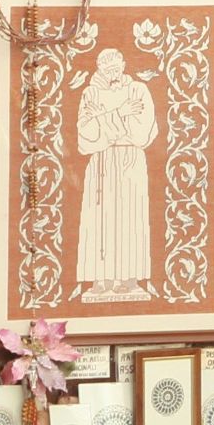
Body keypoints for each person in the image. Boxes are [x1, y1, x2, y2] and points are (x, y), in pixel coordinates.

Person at [75, 48, 157, 298]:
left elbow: (144, 130)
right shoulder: (90, 92)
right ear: (99, 68)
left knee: (130, 217)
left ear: (123, 65)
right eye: (107, 68)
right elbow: (86, 132)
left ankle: (129, 278)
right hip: (101, 162)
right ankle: (101, 279)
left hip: (130, 160)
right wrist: (120, 114)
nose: (113, 72)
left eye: (116, 67)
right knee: (101, 218)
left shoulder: (138, 90)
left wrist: (105, 121)